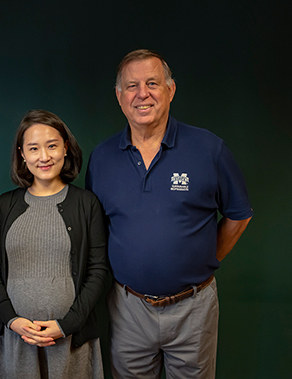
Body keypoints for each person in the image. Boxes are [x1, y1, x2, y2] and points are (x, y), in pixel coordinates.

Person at [86, 49, 253, 378]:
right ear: (119, 97)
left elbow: (239, 214)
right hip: (128, 307)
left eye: (152, 83)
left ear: (171, 90)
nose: (142, 94)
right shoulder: (102, 158)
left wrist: (202, 260)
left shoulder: (209, 149)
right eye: (132, 86)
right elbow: (96, 229)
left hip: (193, 307)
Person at [0, 109, 107, 378]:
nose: (44, 156)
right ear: (22, 154)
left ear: (66, 148)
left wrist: (67, 324)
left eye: (52, 146)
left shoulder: (87, 204)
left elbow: (98, 271)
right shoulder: (5, 206)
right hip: (17, 339)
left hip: (72, 340)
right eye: (34, 148)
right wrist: (11, 320)